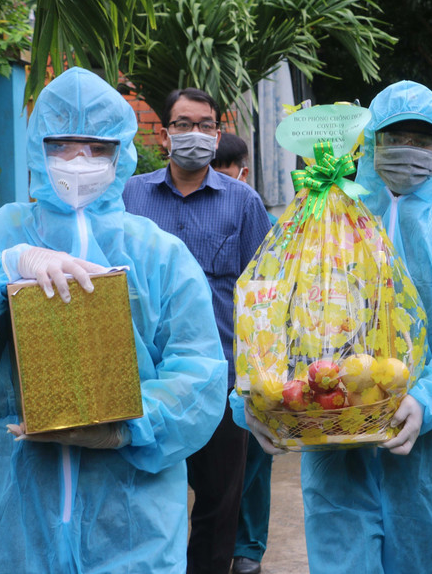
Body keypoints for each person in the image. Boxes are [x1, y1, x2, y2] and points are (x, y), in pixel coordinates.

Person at [0, 67, 228, 573]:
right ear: (36, 147)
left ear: (122, 153)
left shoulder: (159, 253)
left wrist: (129, 427)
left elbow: (200, 372)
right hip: (11, 507)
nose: (79, 161)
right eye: (62, 146)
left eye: (97, 148)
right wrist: (4, 267)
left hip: (132, 512)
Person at [234, 80, 432, 573]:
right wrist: (252, 400)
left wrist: (427, 398)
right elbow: (270, 323)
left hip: (428, 453)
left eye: (422, 141)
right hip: (333, 447)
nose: (408, 151)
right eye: (394, 138)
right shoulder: (322, 232)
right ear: (371, 146)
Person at [123, 88, 273, 574]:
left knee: (218, 502)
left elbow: (262, 292)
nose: (195, 135)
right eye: (183, 125)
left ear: (218, 133)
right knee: (143, 490)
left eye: (206, 125)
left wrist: (261, 377)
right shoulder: (130, 196)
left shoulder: (244, 204)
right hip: (145, 377)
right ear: (164, 135)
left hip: (221, 380)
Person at [210, 132, 272, 574]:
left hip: (242, 360)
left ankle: (247, 548)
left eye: (223, 171)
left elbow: (268, 289)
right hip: (193, 367)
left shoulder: (249, 209)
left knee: (252, 459)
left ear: (241, 173)